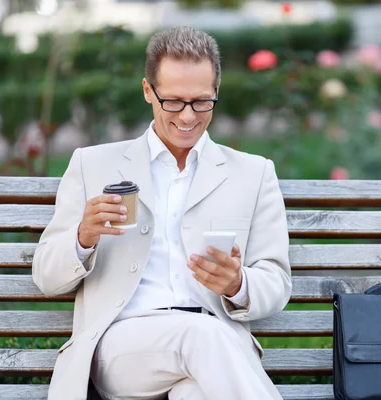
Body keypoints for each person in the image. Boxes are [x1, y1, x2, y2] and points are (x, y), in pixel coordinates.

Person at [32, 26, 292, 400]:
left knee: (194, 392)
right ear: (147, 91)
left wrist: (238, 285)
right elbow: (46, 275)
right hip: (122, 347)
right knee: (199, 335)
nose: (188, 117)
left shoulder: (253, 174)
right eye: (173, 101)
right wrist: (82, 239)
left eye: (201, 102)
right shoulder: (93, 164)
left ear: (216, 92)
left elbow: (276, 280)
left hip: (214, 348)